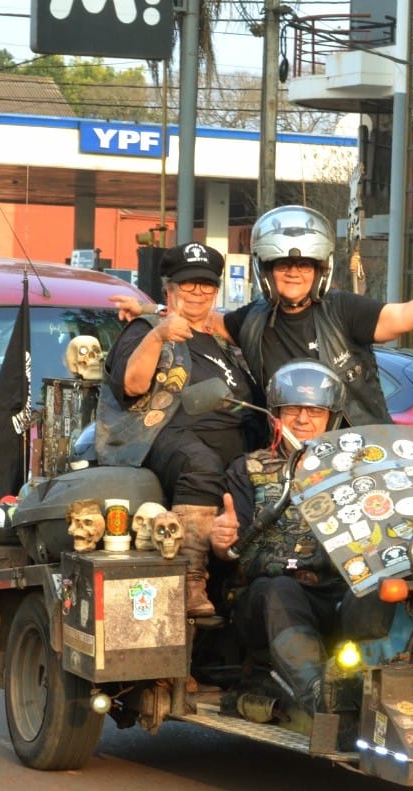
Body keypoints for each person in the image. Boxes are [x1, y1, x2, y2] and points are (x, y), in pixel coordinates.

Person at [112, 204, 413, 426]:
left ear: (321, 270)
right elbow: (203, 316)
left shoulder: (343, 310)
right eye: (283, 265)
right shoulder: (251, 320)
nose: (294, 273)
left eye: (305, 266)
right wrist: (152, 310)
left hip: (360, 447)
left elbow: (399, 316)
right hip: (290, 453)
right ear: (266, 271)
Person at [96, 242, 264, 616]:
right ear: (169, 288)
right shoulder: (145, 329)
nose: (198, 293)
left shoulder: (222, 340)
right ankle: (190, 577)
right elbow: (132, 386)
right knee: (200, 463)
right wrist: (157, 335)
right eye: (188, 285)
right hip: (163, 437)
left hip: (235, 444)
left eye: (206, 285)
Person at [209, 360, 349, 718]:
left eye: (315, 410)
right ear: (276, 415)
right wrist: (221, 539)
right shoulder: (248, 469)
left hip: (339, 592)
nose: (303, 419)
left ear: (331, 417)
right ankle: (322, 700)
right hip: (269, 599)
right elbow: (229, 549)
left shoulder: (357, 470)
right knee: (280, 589)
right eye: (292, 409)